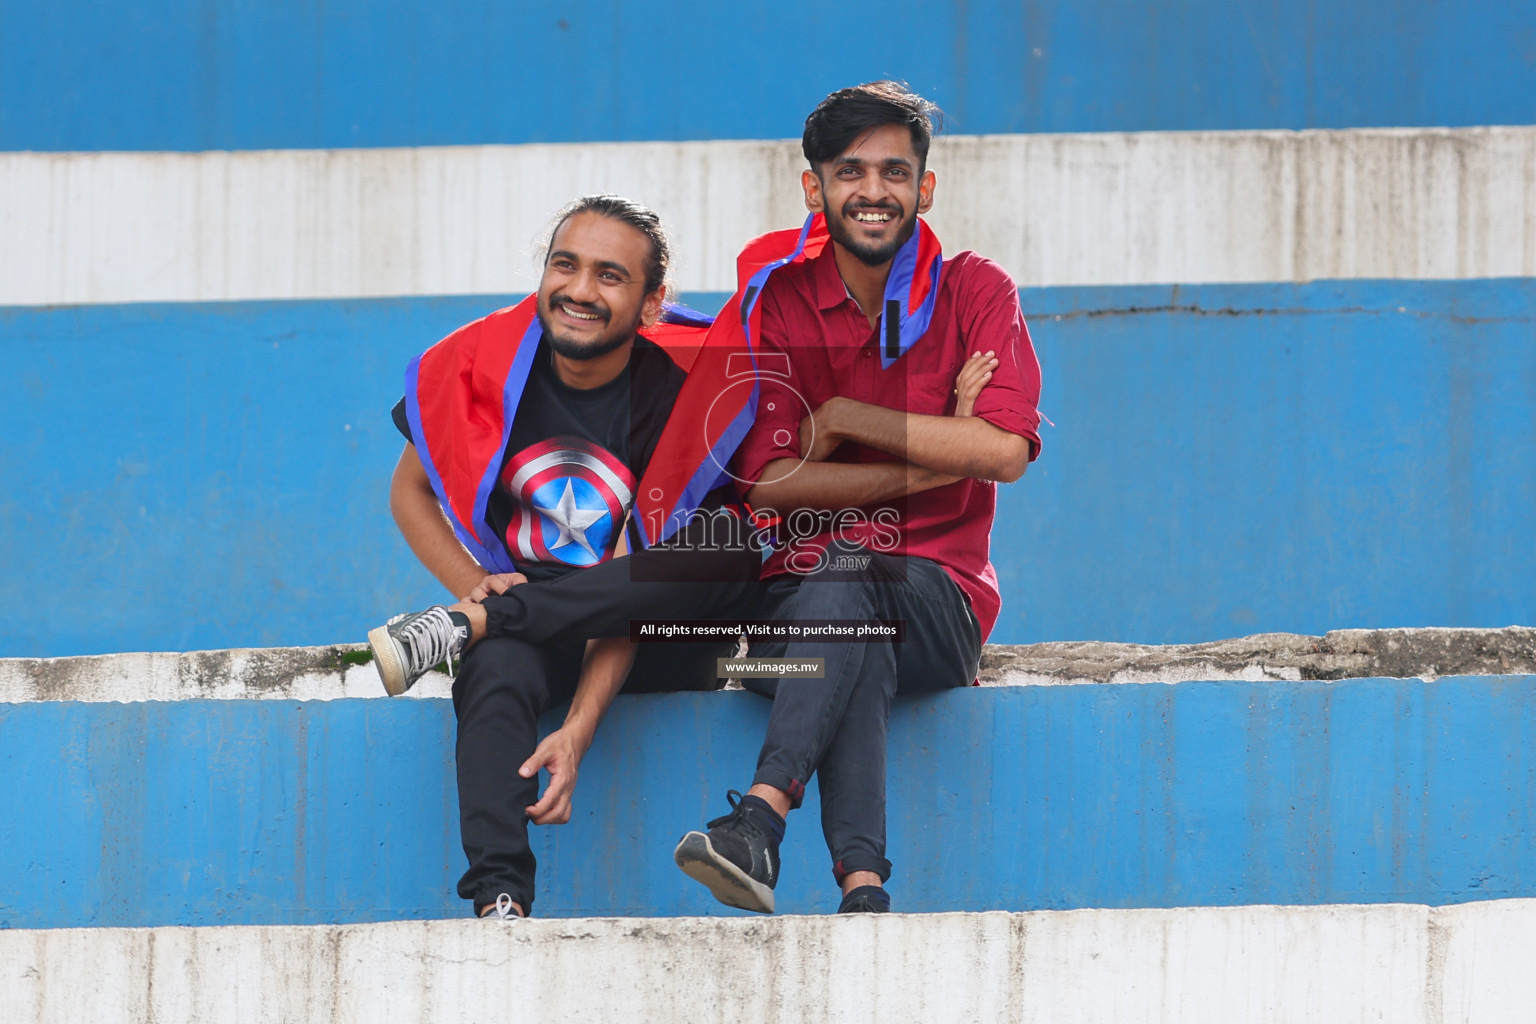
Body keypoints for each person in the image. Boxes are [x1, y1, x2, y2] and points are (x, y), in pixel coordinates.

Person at [673, 82, 1044, 915]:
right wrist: (940, 449)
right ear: (815, 188)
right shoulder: (777, 301)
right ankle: (863, 887)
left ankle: (761, 817)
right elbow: (771, 484)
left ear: (925, 186)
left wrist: (842, 421)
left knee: (854, 573)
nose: (873, 191)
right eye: (850, 172)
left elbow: (1005, 451)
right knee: (850, 615)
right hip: (787, 632)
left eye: (894, 171)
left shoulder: (975, 290)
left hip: (938, 609)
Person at [369, 194, 758, 920]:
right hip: (541, 618)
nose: (579, 290)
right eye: (565, 265)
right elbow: (409, 491)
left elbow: (633, 592)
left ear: (652, 304)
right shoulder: (480, 368)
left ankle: (473, 624)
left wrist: (577, 729)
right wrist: (472, 585)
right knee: (494, 664)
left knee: (727, 548)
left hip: (658, 629)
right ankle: (500, 898)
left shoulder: (680, 393)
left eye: (610, 276)